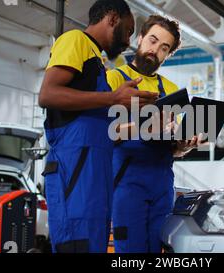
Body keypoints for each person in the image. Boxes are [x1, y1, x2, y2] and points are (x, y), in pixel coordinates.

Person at [38, 0, 157, 253]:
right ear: (112, 18)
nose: (127, 41)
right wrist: (114, 98)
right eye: (128, 31)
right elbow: (48, 94)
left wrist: (129, 113)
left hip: (94, 181)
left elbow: (98, 126)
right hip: (75, 174)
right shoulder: (75, 40)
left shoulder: (98, 64)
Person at [107, 15, 202, 253]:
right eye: (152, 40)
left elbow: (175, 147)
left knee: (161, 248)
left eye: (164, 48)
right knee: (131, 251)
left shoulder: (170, 90)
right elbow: (106, 133)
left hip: (162, 182)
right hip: (127, 181)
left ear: (168, 55)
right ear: (140, 39)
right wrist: (144, 127)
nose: (155, 50)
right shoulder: (115, 79)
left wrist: (185, 145)